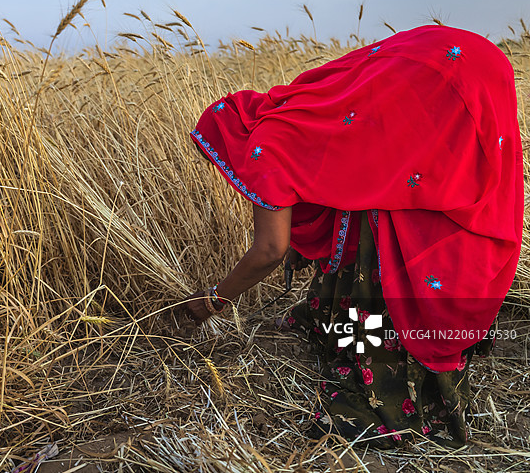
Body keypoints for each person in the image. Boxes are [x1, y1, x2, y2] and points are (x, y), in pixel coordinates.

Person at [182, 25, 523, 448]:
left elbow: (270, 248)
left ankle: (404, 383)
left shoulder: (261, 153)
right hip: (463, 60)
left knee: (407, 216)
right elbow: (340, 170)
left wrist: (215, 300)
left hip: (448, 74)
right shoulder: (288, 108)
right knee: (441, 183)